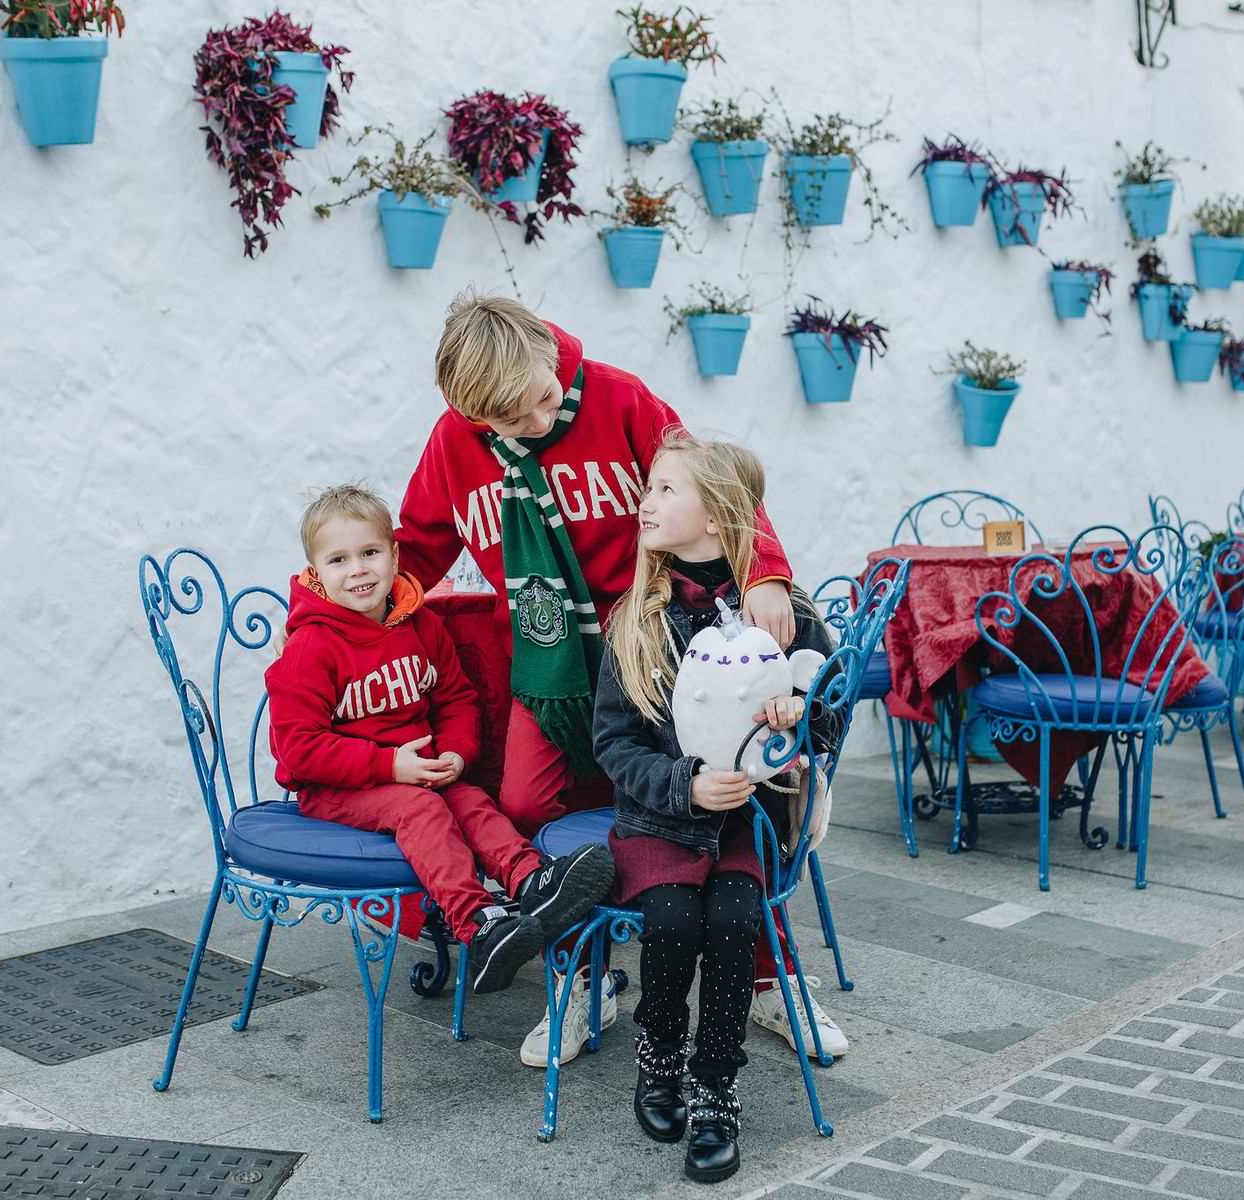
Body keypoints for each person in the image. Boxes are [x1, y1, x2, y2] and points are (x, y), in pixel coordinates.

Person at [391, 292, 847, 1066]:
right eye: (509, 421)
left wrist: (766, 572)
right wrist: (339, 601)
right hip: (550, 662)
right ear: (469, 413)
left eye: (541, 400)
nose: (536, 423)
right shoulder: (453, 444)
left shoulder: (619, 397)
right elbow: (419, 547)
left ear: (549, 351)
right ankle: (587, 973)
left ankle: (769, 979)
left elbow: (716, 488)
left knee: (734, 798)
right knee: (529, 804)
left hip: (657, 646)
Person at [593, 430, 841, 1184]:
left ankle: (715, 1085)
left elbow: (828, 708)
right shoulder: (636, 617)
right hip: (660, 820)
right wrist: (684, 784)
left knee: (734, 921)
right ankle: (659, 1050)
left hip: (747, 823)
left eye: (667, 489)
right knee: (671, 922)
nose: (647, 501)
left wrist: (799, 715)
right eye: (650, 487)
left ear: (719, 513)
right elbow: (613, 742)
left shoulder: (780, 613)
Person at [265, 483, 613, 994]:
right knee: (421, 811)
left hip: (420, 772)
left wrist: (456, 751)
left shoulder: (422, 625)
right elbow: (298, 747)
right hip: (338, 788)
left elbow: (456, 699)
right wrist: (387, 766)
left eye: (369, 553)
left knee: (471, 800)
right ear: (315, 574)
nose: (358, 569)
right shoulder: (311, 646)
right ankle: (478, 924)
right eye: (339, 560)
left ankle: (533, 880)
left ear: (395, 554)